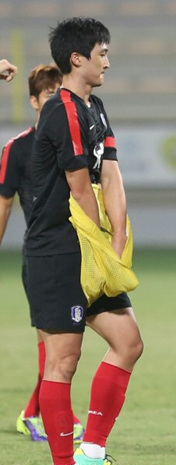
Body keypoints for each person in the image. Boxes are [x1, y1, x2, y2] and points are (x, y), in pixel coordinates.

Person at [25, 17, 143, 465]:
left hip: (90, 248)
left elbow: (110, 175)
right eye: (102, 53)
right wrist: (100, 243)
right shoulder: (62, 111)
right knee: (64, 360)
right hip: (57, 251)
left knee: (129, 342)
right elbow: (79, 189)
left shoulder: (96, 107)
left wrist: (116, 244)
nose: (107, 62)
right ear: (78, 59)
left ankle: (90, 456)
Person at [0, 64, 85, 443]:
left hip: (75, 254)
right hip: (42, 256)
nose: (54, 99)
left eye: (58, 91)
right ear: (33, 101)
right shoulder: (17, 148)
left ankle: (41, 411)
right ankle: (42, 415)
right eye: (46, 94)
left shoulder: (75, 140)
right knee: (52, 346)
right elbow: (3, 205)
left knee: (64, 346)